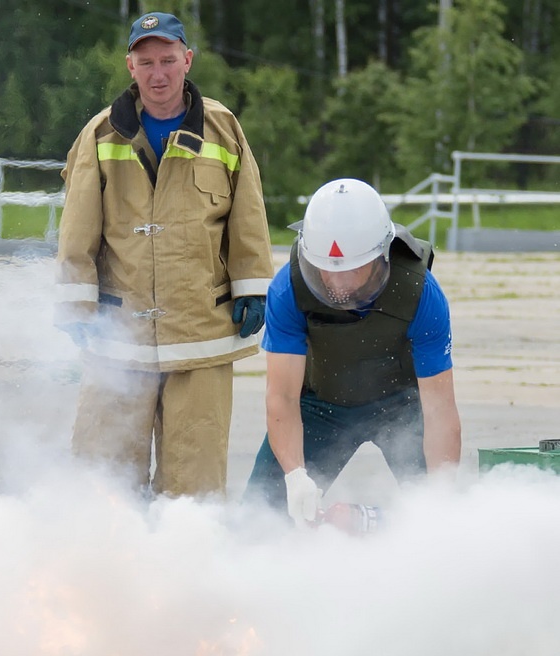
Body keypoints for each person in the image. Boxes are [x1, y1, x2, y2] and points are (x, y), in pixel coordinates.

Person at [55, 11, 274, 498]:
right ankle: (105, 568)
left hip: (201, 335)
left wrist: (253, 288)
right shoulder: (100, 134)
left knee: (194, 484)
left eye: (168, 60)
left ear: (187, 60)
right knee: (104, 476)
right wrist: (75, 305)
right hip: (119, 340)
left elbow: (248, 217)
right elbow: (77, 233)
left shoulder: (223, 128)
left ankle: (183, 569)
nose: (158, 73)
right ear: (130, 66)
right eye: (146, 61)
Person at [245, 177, 462, 525]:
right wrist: (295, 477)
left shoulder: (422, 294)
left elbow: (439, 410)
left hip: (402, 406)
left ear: (381, 255)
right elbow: (282, 397)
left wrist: (442, 497)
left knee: (435, 512)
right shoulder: (287, 289)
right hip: (321, 407)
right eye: (326, 272)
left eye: (351, 270)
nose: (338, 286)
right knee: (258, 517)